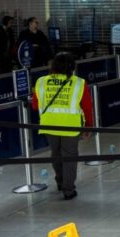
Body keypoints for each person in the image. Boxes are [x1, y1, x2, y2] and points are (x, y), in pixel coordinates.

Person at [29, 51, 92, 200]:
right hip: (70, 125)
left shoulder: (41, 81)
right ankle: (68, 190)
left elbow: (34, 105)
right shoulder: (79, 83)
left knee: (55, 154)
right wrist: (89, 126)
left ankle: (60, 182)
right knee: (69, 157)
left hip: (49, 124)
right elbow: (87, 107)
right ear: (72, 67)